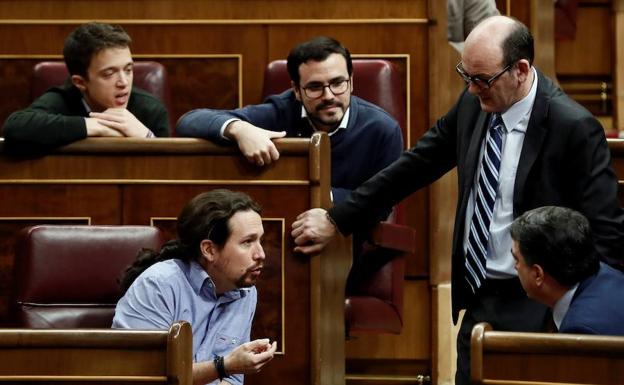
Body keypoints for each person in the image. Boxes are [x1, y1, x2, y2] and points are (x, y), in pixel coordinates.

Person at [291, 16, 624, 385]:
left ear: (521, 70)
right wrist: (339, 218)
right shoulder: (474, 106)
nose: (471, 90)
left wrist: (587, 321)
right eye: (466, 76)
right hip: (480, 295)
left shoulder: (573, 127)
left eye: (481, 80)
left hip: (542, 302)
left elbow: (606, 233)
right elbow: (414, 166)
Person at [176, 36, 403, 204]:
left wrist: (322, 197)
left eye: (338, 83)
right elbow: (189, 121)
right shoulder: (281, 110)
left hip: (348, 236)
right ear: (296, 89)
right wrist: (240, 129)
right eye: (315, 87)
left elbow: (382, 203)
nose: (329, 96)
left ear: (351, 82)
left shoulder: (382, 129)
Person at [112, 189, 277, 385]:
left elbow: (231, 379)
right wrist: (223, 366)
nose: (261, 254)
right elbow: (143, 376)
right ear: (209, 250)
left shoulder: (245, 291)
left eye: (260, 240)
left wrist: (228, 368)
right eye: (247, 242)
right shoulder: (158, 285)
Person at [3, 22, 170, 151]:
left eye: (128, 70)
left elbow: (169, 170)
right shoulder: (63, 99)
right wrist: (97, 127)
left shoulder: (150, 110)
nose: (124, 82)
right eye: (109, 74)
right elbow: (15, 128)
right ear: (80, 82)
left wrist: (147, 137)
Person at [510, 206, 624, 335]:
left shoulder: (580, 330)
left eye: (517, 259)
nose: (515, 266)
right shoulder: (609, 274)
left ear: (538, 274)